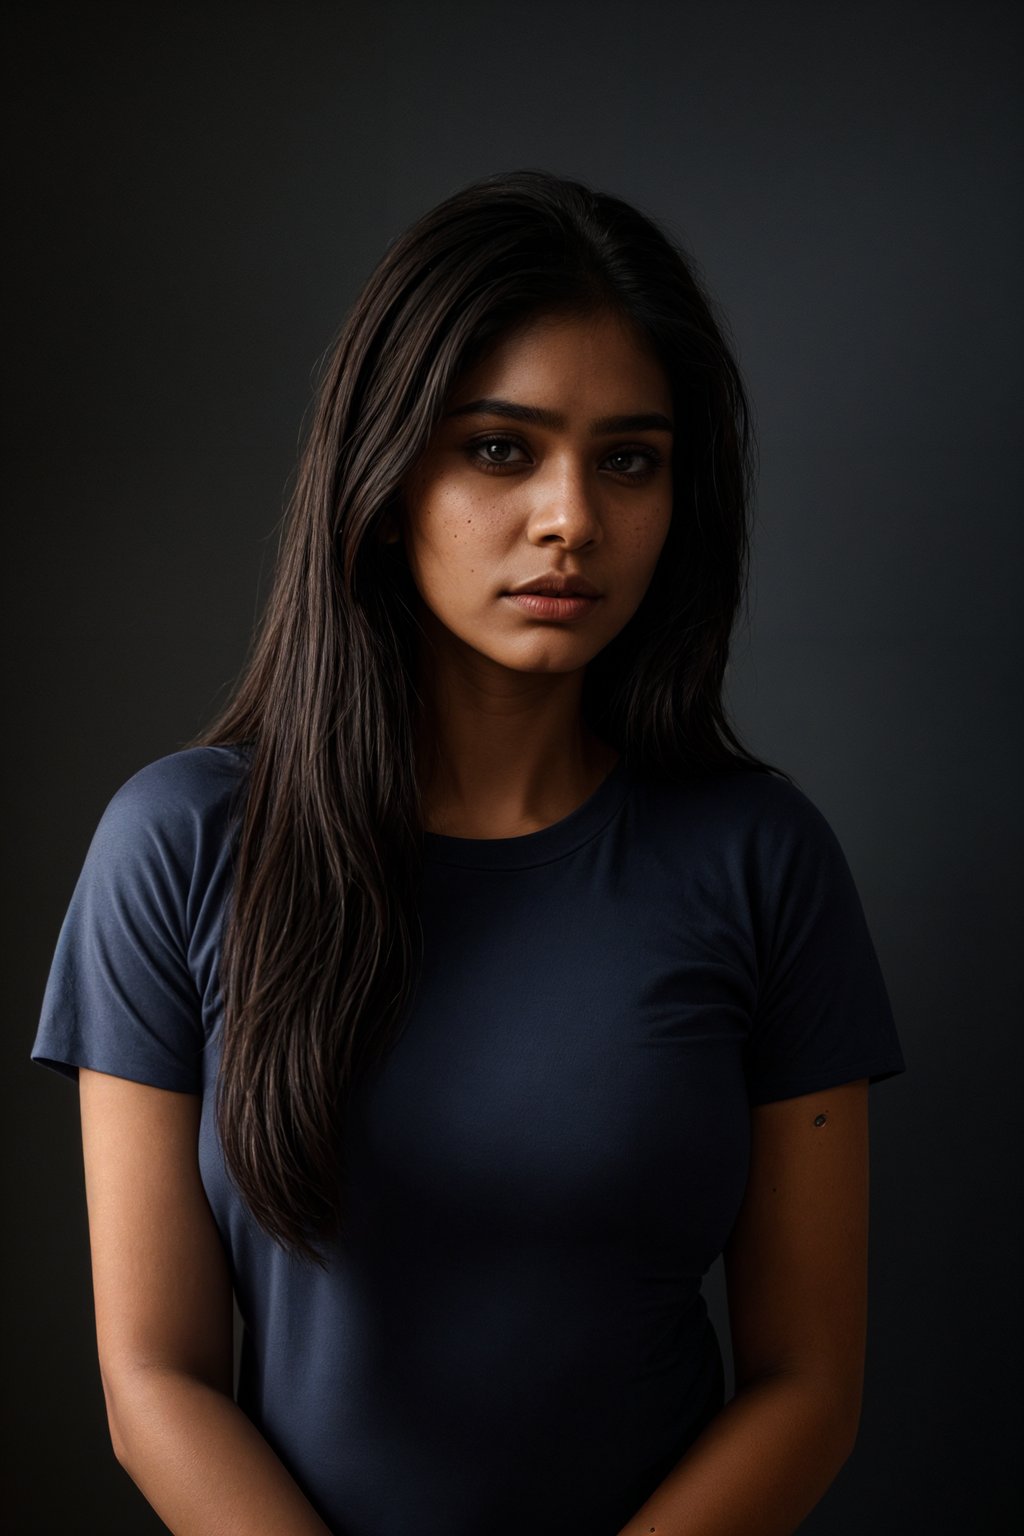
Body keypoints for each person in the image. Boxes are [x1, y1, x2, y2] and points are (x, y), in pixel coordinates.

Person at [30, 167, 906, 1536]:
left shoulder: (761, 858)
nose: (573, 517)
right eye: (502, 447)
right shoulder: (180, 845)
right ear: (385, 479)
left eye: (630, 458)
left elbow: (809, 1382)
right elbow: (154, 1379)